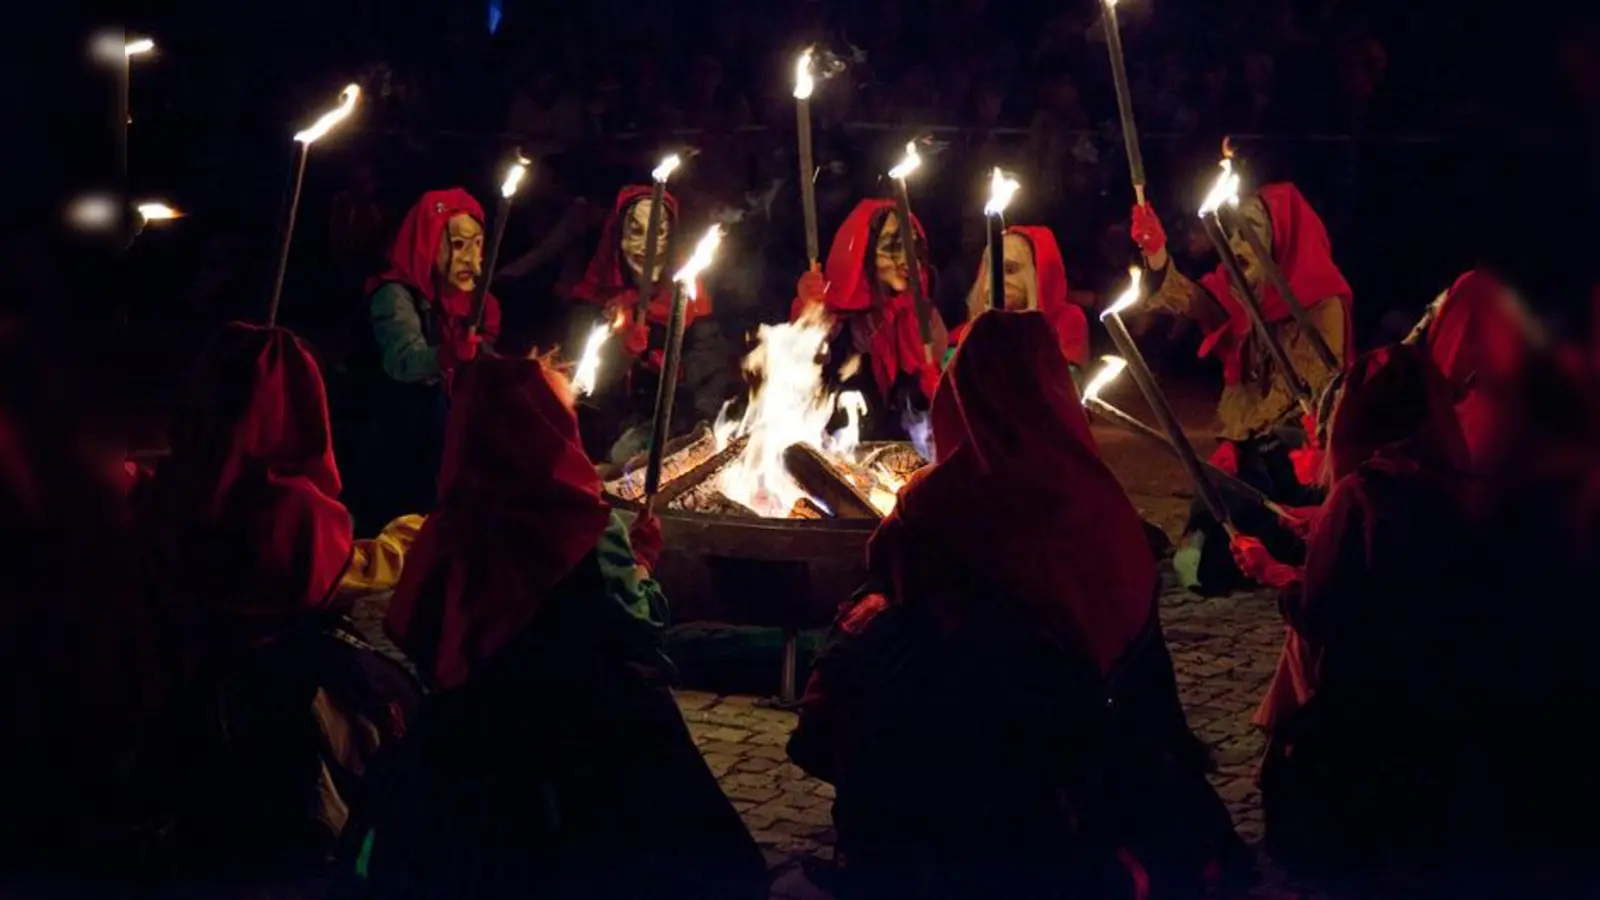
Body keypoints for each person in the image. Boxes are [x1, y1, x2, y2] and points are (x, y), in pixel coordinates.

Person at [788, 311, 1247, 899]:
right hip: (1114, 741)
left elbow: (888, 573)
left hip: (994, 745)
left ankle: (878, 848)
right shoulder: (1099, 497)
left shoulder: (938, 502)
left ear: (962, 393)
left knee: (869, 634)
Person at [363, 354, 766, 899]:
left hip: (468, 744)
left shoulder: (447, 526)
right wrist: (642, 565)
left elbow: (415, 626)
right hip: (587, 739)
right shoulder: (581, 528)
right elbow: (636, 622)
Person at [137, 323, 421, 868]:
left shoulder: (174, 483)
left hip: (186, 686)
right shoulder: (287, 509)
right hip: (270, 704)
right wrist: (408, 539)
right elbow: (331, 575)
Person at [1231, 344, 1491, 882]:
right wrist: (1318, 526)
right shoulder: (1460, 478)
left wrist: (1272, 572)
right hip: (1450, 710)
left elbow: (1326, 613)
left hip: (1371, 720)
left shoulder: (1363, 494)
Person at [1129, 183, 1352, 589]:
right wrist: (1157, 255)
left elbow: (1307, 392)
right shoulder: (1240, 295)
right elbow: (1188, 299)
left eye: (1247, 230)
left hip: (1300, 450)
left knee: (1254, 474)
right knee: (1226, 475)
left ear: (1279, 237)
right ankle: (1207, 542)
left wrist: (1243, 436)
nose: (1235, 243)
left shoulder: (1321, 304)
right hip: (1252, 441)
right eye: (1229, 233)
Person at [346, 188, 502, 530]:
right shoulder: (394, 295)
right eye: (458, 245)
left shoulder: (474, 303)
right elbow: (403, 361)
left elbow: (482, 361)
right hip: (395, 437)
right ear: (428, 243)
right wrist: (447, 355)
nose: (470, 259)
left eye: (477, 244)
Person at [567, 184, 727, 462]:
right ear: (619, 237)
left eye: (659, 233)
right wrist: (621, 354)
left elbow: (710, 367)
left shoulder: (688, 297)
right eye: (637, 232)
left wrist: (675, 369)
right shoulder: (595, 300)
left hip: (667, 421)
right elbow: (579, 386)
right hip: (604, 426)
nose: (649, 246)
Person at [792, 198, 948, 439]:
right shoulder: (834, 317)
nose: (907, 260)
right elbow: (798, 375)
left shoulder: (922, 318)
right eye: (891, 247)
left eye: (913, 248)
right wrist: (809, 314)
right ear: (864, 249)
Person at [952, 225, 1089, 380]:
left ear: (1037, 276)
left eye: (1010, 270)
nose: (993, 283)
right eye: (989, 271)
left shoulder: (1065, 322)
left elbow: (1064, 389)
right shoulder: (961, 339)